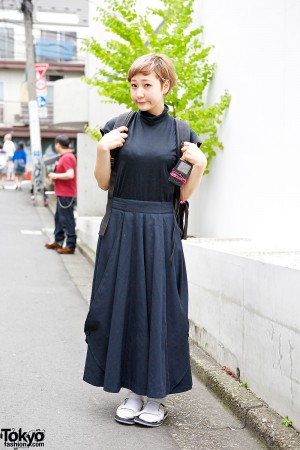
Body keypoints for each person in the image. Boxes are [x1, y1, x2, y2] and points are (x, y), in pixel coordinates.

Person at [83, 54, 207, 427]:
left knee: (159, 309)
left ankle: (156, 396)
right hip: (120, 227)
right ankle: (132, 392)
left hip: (159, 229)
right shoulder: (118, 127)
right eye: (134, 85)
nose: (138, 92)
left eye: (147, 85)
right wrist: (103, 149)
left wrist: (198, 165)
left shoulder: (181, 133)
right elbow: (104, 182)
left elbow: (182, 195)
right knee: (121, 306)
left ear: (166, 86)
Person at [45, 135, 77, 254]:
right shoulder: (66, 156)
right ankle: (58, 241)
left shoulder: (67, 157)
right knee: (59, 218)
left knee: (66, 219)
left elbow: (70, 174)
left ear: (58, 144)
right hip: (63, 193)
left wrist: (55, 176)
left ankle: (70, 245)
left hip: (66, 194)